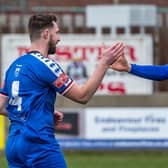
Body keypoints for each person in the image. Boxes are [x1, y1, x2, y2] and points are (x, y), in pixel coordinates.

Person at [0, 14, 124, 168]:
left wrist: (37, 112)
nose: (59, 38)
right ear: (46, 34)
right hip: (38, 143)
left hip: (13, 146)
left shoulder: (13, 66)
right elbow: (82, 95)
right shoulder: (46, 65)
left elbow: (1, 106)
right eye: (57, 32)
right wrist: (104, 64)